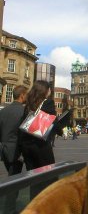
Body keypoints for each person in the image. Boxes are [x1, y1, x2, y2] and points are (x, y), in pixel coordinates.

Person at [20, 81, 62, 198]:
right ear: (45, 91)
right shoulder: (48, 103)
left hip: (27, 147)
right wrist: (61, 129)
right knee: (49, 177)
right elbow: (55, 124)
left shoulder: (28, 104)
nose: (50, 92)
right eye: (49, 89)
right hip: (40, 146)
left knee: (34, 179)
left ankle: (34, 203)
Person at [0, 85, 28, 214]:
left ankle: (9, 207)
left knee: (11, 178)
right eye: (26, 94)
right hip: (17, 152)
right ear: (22, 95)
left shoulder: (3, 110)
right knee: (14, 181)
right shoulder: (24, 112)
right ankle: (9, 209)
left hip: (4, 150)